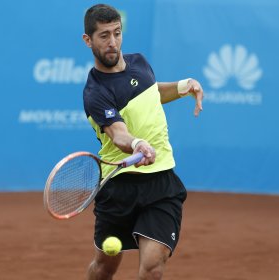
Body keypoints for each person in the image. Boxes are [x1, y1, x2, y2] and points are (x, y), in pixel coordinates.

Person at [82, 4, 203, 280]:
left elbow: (151, 93)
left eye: (117, 33)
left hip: (161, 182)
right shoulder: (95, 92)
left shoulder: (139, 62)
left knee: (152, 266)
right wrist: (137, 144)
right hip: (118, 187)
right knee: (104, 267)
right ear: (88, 40)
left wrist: (184, 86)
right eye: (103, 36)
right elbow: (118, 133)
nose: (112, 43)